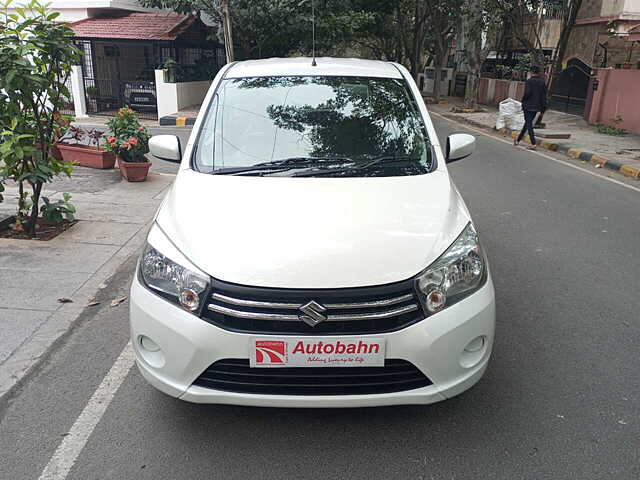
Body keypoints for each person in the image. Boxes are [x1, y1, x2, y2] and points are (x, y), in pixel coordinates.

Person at [515, 65, 548, 150]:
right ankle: (518, 140)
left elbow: (527, 93)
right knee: (527, 123)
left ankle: (533, 143)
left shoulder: (529, 82)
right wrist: (543, 109)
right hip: (537, 107)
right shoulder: (542, 82)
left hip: (528, 106)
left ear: (531, 72)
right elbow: (544, 97)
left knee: (529, 124)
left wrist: (523, 101)